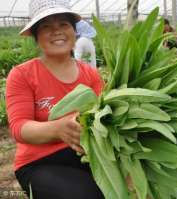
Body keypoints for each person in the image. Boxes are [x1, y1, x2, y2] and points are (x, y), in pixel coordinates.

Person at [5, 0, 105, 198]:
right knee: (87, 195)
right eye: (46, 26)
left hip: (87, 154)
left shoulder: (91, 75)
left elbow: (104, 116)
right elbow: (19, 127)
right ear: (36, 36)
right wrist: (58, 129)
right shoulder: (22, 74)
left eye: (63, 24)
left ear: (74, 31)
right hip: (39, 161)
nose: (56, 31)